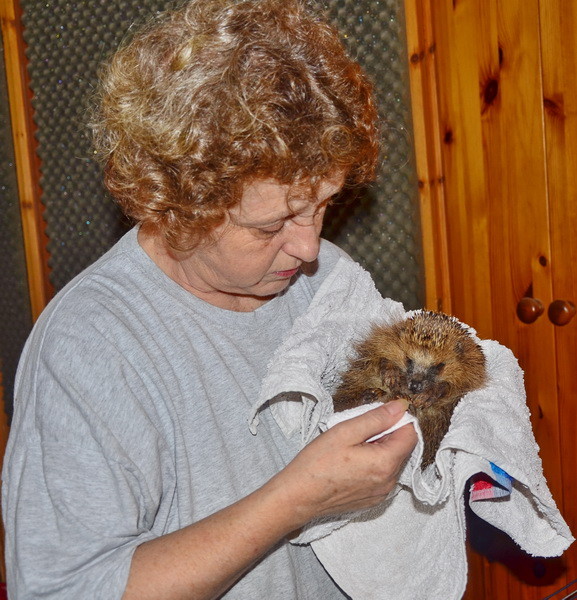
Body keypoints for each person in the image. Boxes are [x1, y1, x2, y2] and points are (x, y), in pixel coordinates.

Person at [1, 1, 417, 598]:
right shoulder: (90, 347)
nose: (309, 248)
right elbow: (64, 590)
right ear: (176, 208)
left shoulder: (327, 285)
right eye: (270, 226)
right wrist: (295, 499)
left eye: (321, 206)